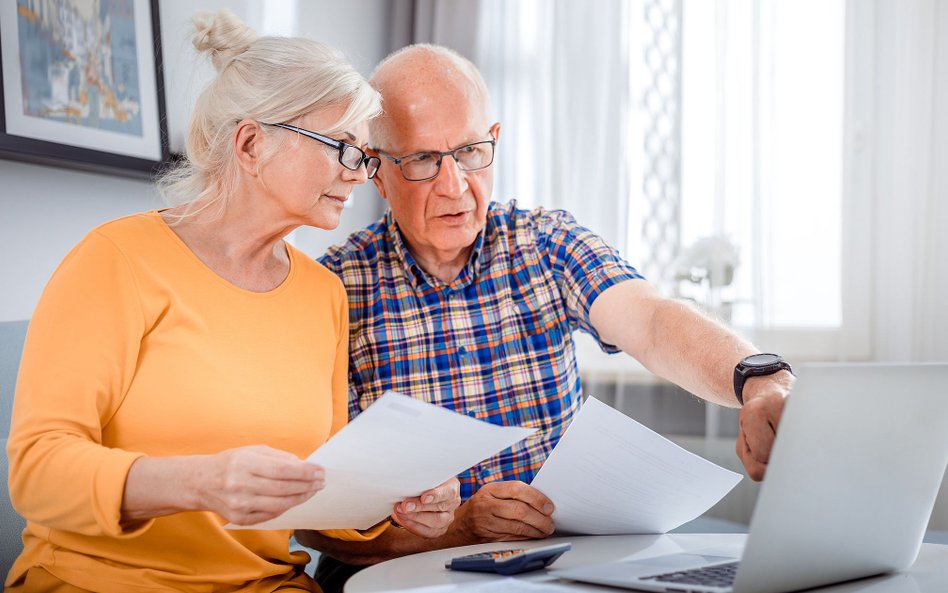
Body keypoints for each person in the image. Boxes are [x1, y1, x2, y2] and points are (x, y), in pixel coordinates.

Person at [296, 43, 795, 593]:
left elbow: (651, 320)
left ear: (495, 140)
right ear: (376, 171)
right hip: (403, 580)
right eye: (421, 160)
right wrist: (456, 531)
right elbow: (312, 518)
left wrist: (757, 375)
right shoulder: (335, 288)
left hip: (558, 569)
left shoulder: (545, 243)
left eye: (469, 151)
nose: (455, 185)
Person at [5, 15, 458, 593]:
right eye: (343, 148)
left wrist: (396, 504)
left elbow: (319, 490)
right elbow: (37, 473)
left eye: (366, 157)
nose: (360, 175)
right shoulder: (117, 259)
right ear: (250, 143)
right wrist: (198, 482)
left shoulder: (322, 294)